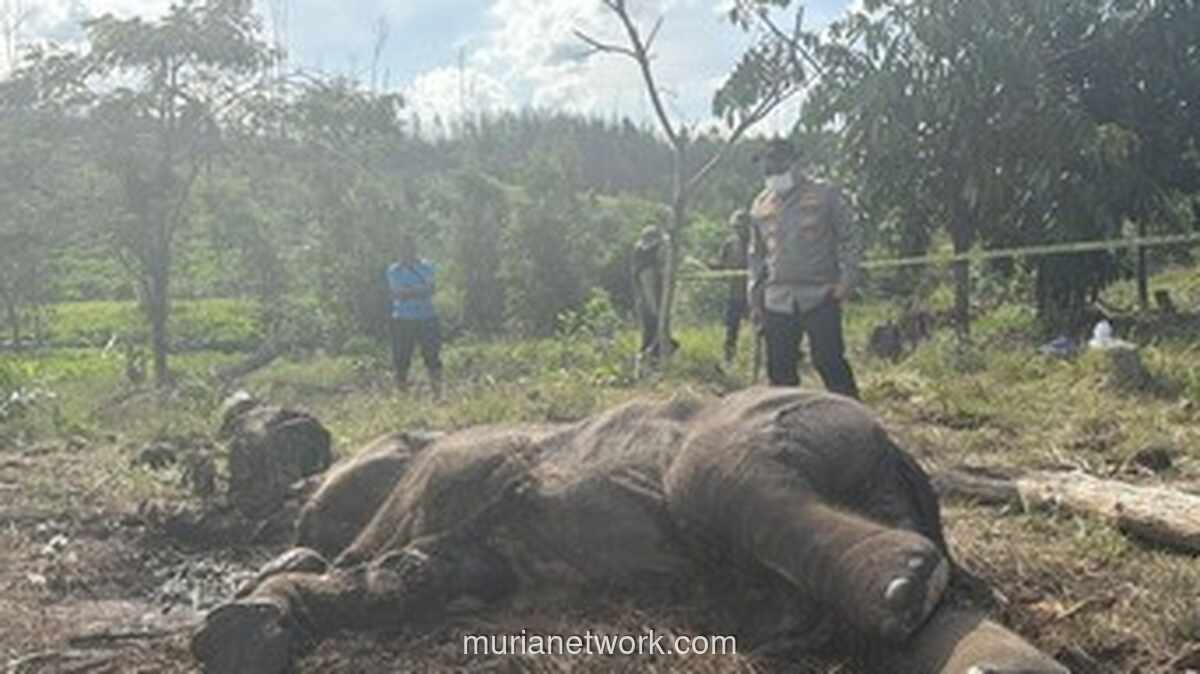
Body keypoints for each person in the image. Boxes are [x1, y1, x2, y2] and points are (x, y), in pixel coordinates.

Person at [747, 137, 863, 399]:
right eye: (767, 166)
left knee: (829, 361)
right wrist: (754, 299)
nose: (773, 171)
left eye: (778, 164)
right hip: (777, 299)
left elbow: (850, 237)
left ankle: (854, 416)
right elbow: (756, 257)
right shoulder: (760, 204)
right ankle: (787, 421)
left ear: (796, 163)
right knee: (780, 371)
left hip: (821, 294)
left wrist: (847, 281)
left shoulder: (826, 194)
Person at [385, 234, 443, 396]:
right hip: (402, 319)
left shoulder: (426, 266)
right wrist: (418, 290)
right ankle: (402, 393)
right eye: (403, 249)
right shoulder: (393, 270)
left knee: (432, 356)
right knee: (401, 358)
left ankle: (437, 392)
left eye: (409, 248)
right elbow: (398, 293)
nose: (406, 252)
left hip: (427, 317)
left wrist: (408, 291)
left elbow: (430, 289)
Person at [630, 225, 677, 358]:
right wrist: (657, 312)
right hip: (651, 307)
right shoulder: (647, 269)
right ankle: (650, 360)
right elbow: (649, 291)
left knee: (655, 337)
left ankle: (657, 357)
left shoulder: (650, 266)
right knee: (652, 337)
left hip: (650, 304)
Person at [714, 209, 752, 363]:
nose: (739, 230)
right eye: (736, 227)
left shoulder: (758, 241)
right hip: (735, 293)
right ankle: (728, 359)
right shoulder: (729, 243)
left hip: (755, 293)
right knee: (731, 328)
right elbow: (721, 264)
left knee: (766, 328)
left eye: (742, 226)